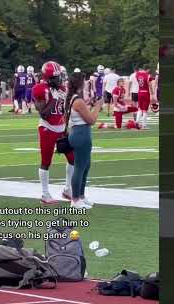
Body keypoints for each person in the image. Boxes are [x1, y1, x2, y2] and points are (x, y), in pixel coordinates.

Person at [32, 61, 75, 205]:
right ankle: (45, 194)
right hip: (47, 128)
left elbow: (63, 110)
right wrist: (53, 99)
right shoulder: (40, 88)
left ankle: (68, 189)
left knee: (73, 159)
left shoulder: (62, 88)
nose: (60, 79)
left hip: (61, 128)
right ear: (49, 77)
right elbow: (43, 113)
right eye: (57, 77)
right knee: (46, 161)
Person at [66, 72, 103, 209]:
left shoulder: (75, 99)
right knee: (80, 167)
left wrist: (92, 105)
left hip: (80, 133)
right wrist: (98, 106)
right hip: (81, 134)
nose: (86, 82)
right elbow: (91, 120)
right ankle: (75, 199)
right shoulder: (78, 101)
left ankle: (80, 196)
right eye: (84, 80)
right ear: (79, 83)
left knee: (85, 166)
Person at [136, 64, 155, 129]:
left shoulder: (137, 74)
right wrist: (152, 94)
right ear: (148, 69)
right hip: (146, 93)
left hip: (139, 92)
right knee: (145, 110)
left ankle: (137, 122)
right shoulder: (148, 75)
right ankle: (144, 125)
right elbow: (150, 85)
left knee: (140, 108)